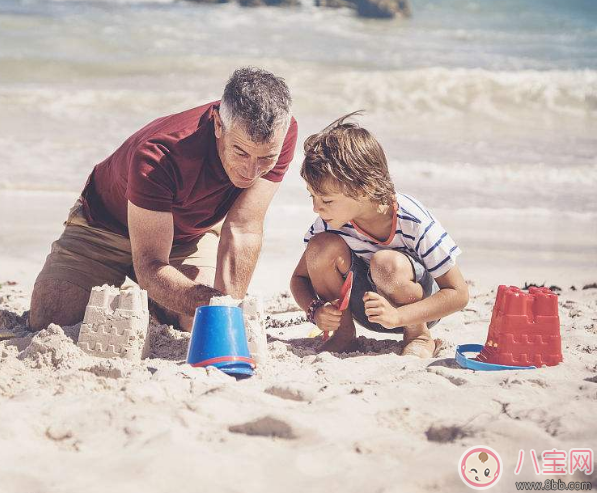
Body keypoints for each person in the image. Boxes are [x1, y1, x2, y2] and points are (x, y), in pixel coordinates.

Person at [29, 67, 298, 331]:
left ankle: (154, 304)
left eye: (266, 159)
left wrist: (227, 312)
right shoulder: (159, 154)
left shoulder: (281, 136)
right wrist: (199, 298)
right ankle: (139, 290)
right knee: (50, 318)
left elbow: (243, 227)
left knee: (201, 322)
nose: (251, 172)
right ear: (218, 124)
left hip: (188, 235)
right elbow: (150, 264)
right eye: (240, 152)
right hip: (105, 225)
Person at [289, 113, 469, 358]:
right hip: (367, 308)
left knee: (385, 263)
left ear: (364, 189)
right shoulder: (331, 222)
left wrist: (399, 316)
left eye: (326, 200)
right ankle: (343, 334)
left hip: (417, 309)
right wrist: (315, 310)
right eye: (313, 197)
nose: (316, 208)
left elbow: (459, 294)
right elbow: (299, 278)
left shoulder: (412, 220)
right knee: (320, 247)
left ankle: (418, 336)